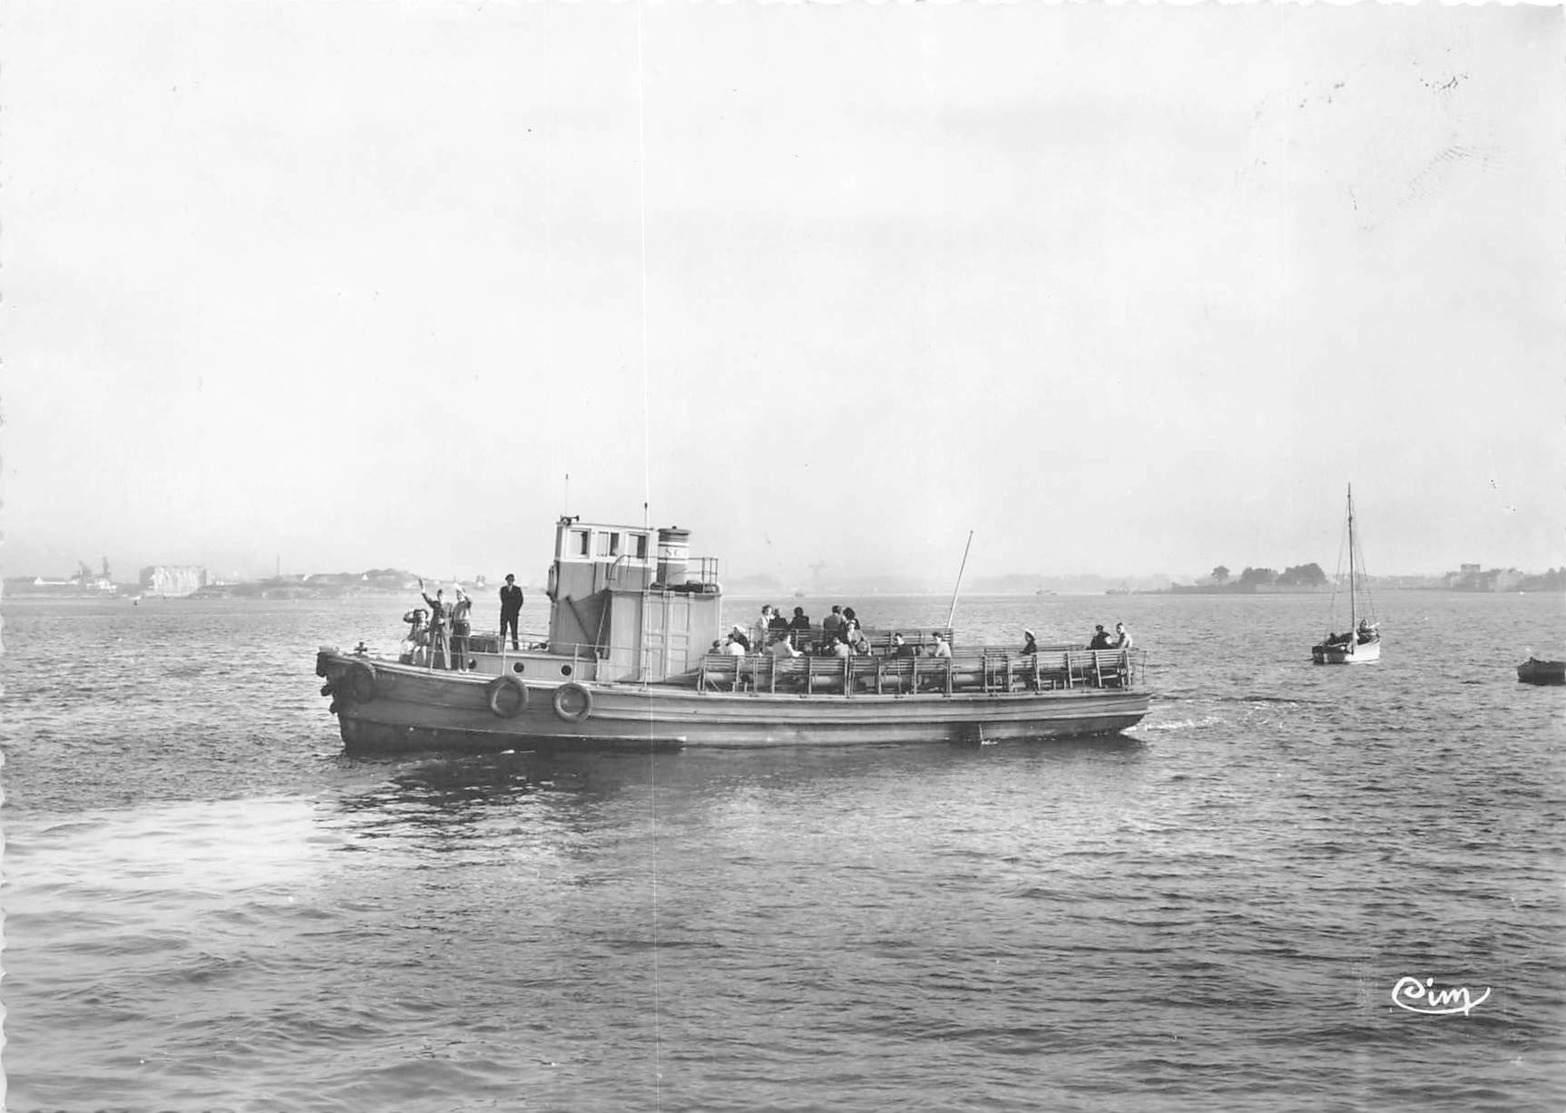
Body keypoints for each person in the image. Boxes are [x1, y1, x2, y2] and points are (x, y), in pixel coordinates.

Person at [419, 578, 450, 669]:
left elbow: (452, 618)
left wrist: (445, 621)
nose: (440, 597)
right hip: (434, 628)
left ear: (444, 596)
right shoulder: (435, 604)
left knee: (445, 646)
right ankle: (433, 665)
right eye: (439, 596)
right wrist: (423, 590)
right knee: (434, 646)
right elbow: (428, 599)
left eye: (441, 596)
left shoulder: (449, 606)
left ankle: (446, 665)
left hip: (444, 629)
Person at [449, 587, 473, 670]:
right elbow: (453, 617)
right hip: (456, 625)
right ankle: (455, 667)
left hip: (464, 625)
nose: (458, 596)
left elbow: (470, 602)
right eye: (457, 594)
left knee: (463, 646)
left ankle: (464, 668)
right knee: (455, 646)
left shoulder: (466, 604)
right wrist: (451, 628)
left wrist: (464, 594)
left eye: (459, 594)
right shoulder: (456, 605)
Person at [499, 573, 524, 650]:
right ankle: (501, 647)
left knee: (514, 630)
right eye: (508, 580)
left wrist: (516, 610)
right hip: (505, 612)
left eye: (511, 580)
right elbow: (503, 600)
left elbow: (520, 601)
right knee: (503, 630)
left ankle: (515, 647)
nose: (510, 582)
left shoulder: (517, 589)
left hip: (513, 613)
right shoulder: (503, 589)